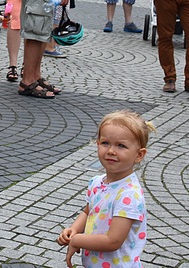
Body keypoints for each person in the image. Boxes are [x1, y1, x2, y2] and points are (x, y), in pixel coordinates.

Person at [57, 110, 151, 267]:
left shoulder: (129, 195)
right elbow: (88, 211)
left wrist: (77, 240)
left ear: (139, 155)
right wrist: (74, 229)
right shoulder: (97, 182)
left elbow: (113, 241)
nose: (111, 151)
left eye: (121, 146)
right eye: (105, 143)